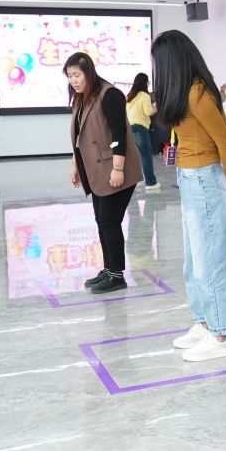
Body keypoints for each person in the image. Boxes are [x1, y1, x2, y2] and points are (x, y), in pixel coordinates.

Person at [153, 30, 226, 362]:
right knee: (194, 261)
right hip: (190, 177)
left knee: (212, 262)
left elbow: (224, 138)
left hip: (206, 178)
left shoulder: (197, 92)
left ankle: (220, 334)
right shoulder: (183, 92)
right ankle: (204, 322)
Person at [67, 52, 142, 295]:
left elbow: (119, 135)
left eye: (77, 75)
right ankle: (109, 269)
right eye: (69, 76)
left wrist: (118, 169)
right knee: (102, 221)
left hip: (116, 168)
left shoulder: (110, 95)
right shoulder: (82, 97)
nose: (73, 80)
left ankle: (116, 275)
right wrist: (75, 164)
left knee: (110, 221)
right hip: (96, 170)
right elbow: (81, 137)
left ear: (88, 72)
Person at [125, 72, 159, 193]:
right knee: (146, 156)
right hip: (140, 129)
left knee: (134, 157)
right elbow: (148, 112)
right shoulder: (144, 95)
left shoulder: (130, 96)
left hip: (129, 129)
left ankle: (136, 181)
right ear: (145, 83)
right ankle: (151, 182)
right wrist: (156, 107)